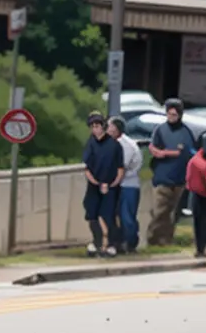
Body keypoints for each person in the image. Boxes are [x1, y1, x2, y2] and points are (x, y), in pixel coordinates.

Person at [147, 97, 198, 247]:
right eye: (169, 114)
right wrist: (165, 153)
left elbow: (188, 153)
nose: (171, 117)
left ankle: (165, 240)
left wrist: (167, 153)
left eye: (174, 115)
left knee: (172, 212)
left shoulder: (186, 132)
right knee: (159, 210)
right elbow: (153, 148)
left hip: (179, 179)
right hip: (162, 177)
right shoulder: (160, 130)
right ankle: (152, 238)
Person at [82, 111, 125, 258]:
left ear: (103, 126)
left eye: (98, 126)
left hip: (111, 185)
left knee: (109, 215)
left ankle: (112, 244)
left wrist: (112, 184)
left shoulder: (114, 145)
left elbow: (120, 168)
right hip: (94, 185)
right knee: (92, 214)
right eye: (93, 126)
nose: (95, 129)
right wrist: (96, 182)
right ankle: (97, 241)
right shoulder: (90, 143)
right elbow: (86, 167)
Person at [108, 115, 143, 253]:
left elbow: (121, 167)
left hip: (128, 185)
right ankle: (118, 243)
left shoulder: (126, 145)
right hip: (116, 185)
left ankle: (131, 243)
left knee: (127, 217)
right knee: (114, 217)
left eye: (109, 126)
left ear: (116, 129)